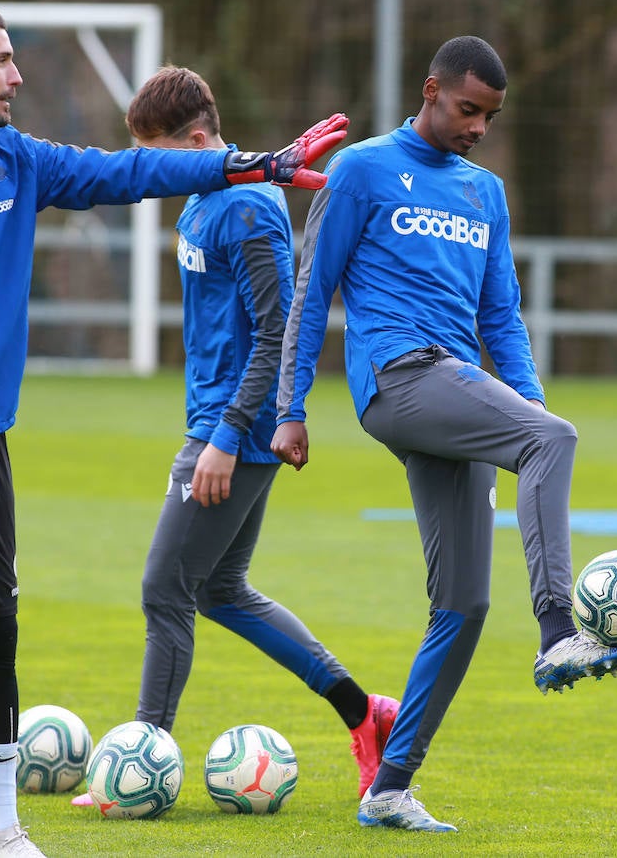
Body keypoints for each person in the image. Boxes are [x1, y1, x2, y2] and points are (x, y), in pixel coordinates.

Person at [0, 0, 344, 858]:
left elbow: (128, 174)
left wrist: (252, 166)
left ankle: (2, 834)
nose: (17, 76)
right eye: (4, 61)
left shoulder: (16, 160)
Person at [270, 35, 617, 834]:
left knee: (463, 604)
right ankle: (558, 631)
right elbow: (310, 289)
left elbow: (501, 317)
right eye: (468, 110)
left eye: (490, 117)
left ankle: (390, 786)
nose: (478, 127)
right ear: (431, 90)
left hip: (456, 384)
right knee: (556, 439)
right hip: (397, 377)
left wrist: (524, 415)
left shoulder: (486, 192)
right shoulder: (363, 169)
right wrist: (290, 408)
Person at [65, 65, 397, 810]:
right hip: (215, 423)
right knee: (220, 589)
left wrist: (225, 435)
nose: (156, 172)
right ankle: (364, 712)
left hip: (232, 433)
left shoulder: (248, 211)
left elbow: (278, 331)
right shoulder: (207, 195)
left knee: (165, 588)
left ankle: (140, 765)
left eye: (161, 154)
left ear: (198, 139)